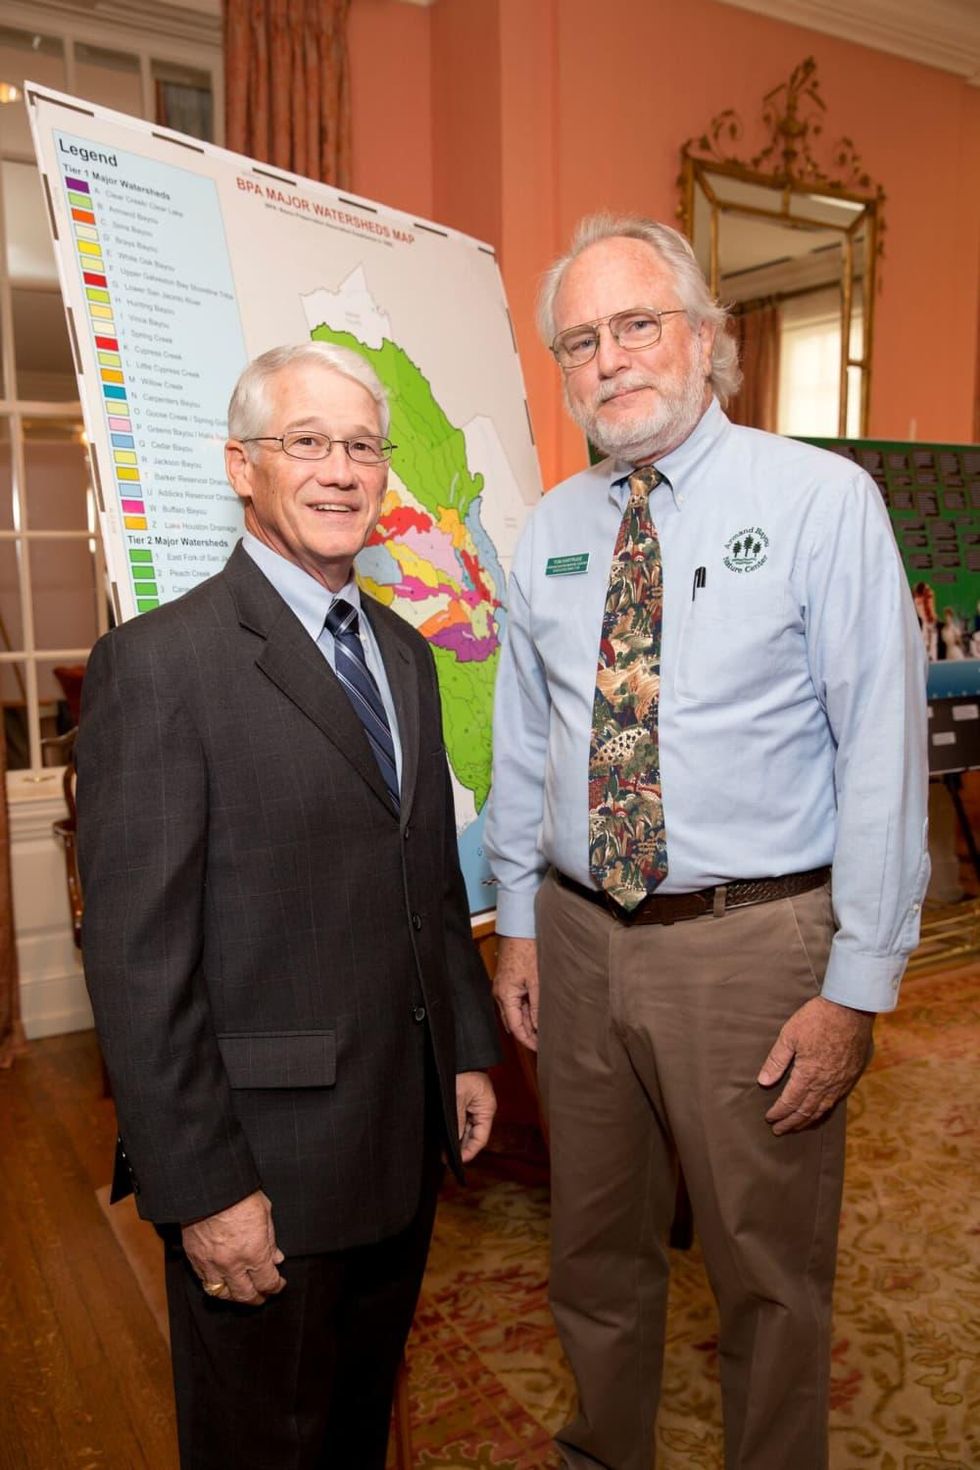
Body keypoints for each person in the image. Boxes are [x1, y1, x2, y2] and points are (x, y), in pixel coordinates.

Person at [485, 215, 928, 1470]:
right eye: (582, 339)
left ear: (704, 339)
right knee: (591, 1242)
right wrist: (517, 921)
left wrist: (855, 989)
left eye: (638, 325)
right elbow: (529, 743)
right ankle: (599, 1451)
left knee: (765, 1267)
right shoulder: (550, 528)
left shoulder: (819, 503)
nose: (612, 359)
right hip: (576, 939)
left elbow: (883, 756)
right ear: (562, 367)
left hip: (751, 947)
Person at [77, 341, 499, 1470]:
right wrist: (204, 1186)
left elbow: (425, 878)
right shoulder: (159, 668)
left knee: (353, 1433)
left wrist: (460, 1049)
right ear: (240, 466)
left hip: (399, 1146)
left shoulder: (405, 655)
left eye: (361, 446)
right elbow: (135, 964)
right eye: (305, 442)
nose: (340, 470)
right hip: (261, 1169)